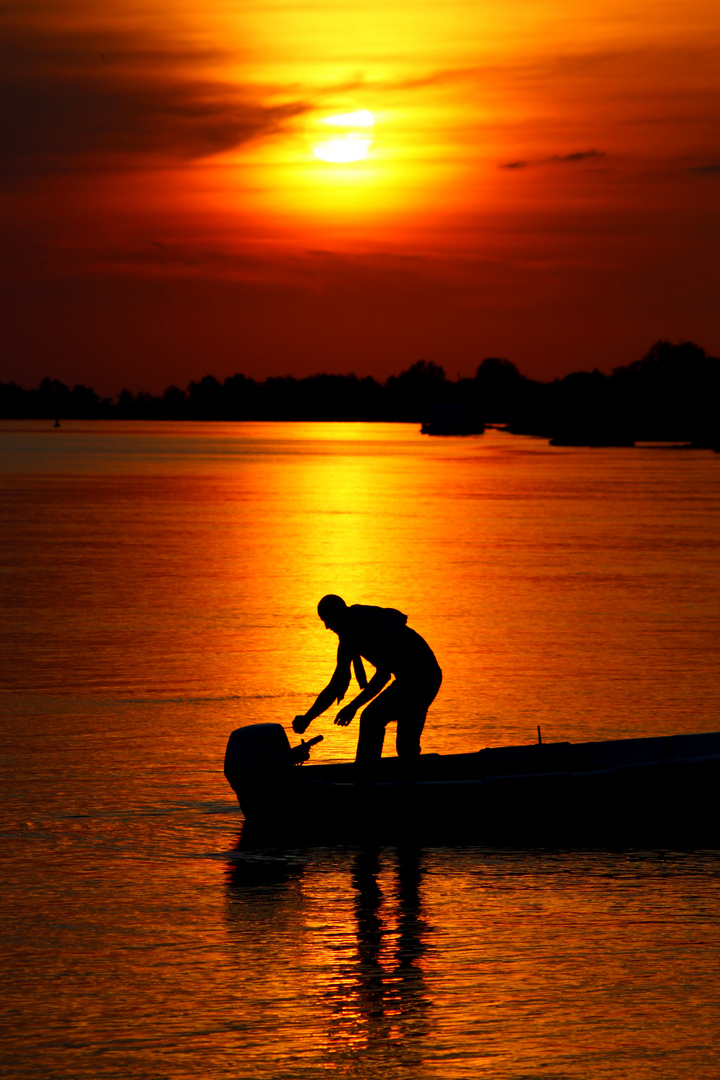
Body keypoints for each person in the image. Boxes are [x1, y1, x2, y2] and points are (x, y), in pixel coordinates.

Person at [292, 595, 442, 767]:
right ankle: (371, 771)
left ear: (338, 615)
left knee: (376, 722)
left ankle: (368, 774)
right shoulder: (347, 638)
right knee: (385, 727)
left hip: (424, 678)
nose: (327, 627)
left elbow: (383, 676)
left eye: (328, 620)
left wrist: (353, 706)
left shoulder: (367, 628)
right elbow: (337, 683)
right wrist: (308, 717)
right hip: (406, 680)